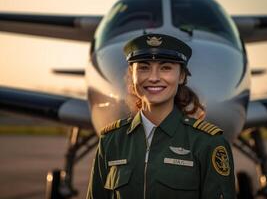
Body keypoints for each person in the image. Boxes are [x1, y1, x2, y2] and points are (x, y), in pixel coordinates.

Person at [86, 33, 235, 199]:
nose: (154, 78)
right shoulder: (111, 141)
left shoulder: (208, 143)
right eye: (144, 67)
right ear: (132, 75)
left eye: (166, 68)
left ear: (181, 76)